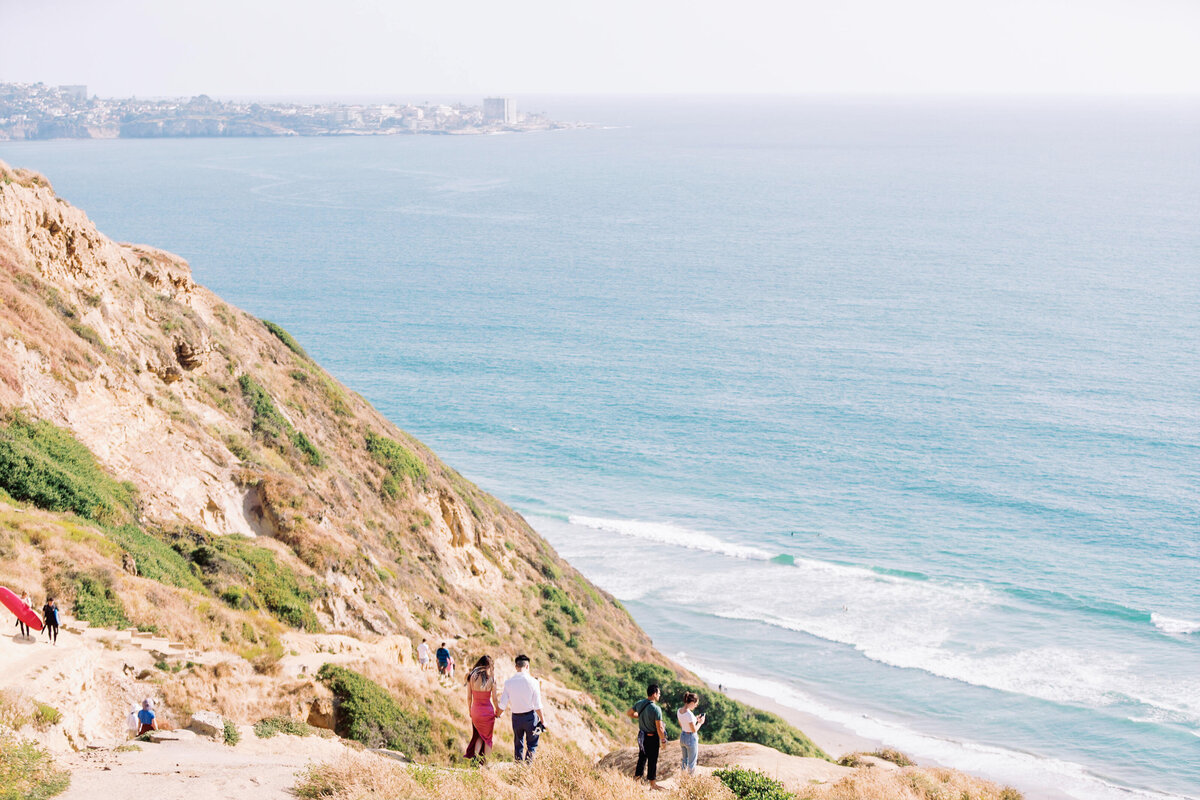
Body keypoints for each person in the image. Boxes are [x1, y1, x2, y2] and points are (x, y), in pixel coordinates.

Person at [497, 654, 545, 762]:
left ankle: (518, 769)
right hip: (530, 717)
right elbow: (537, 705)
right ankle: (527, 770)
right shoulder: (534, 682)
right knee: (532, 745)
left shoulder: (508, 682)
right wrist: (543, 720)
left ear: (516, 667)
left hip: (516, 718)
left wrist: (498, 714)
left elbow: (502, 704)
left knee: (518, 745)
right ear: (527, 666)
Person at [627, 683, 665, 791]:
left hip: (642, 736)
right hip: (652, 737)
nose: (659, 695)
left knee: (642, 758)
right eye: (658, 693)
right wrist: (663, 740)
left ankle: (636, 780)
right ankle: (652, 785)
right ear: (654, 694)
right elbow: (659, 728)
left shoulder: (640, 703)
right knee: (652, 760)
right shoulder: (656, 709)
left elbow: (629, 713)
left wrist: (640, 716)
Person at [463, 655, 502, 761]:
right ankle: (487, 763)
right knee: (488, 738)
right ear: (489, 666)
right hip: (487, 712)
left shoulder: (471, 676)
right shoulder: (492, 679)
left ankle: (476, 760)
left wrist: (469, 710)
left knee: (479, 735)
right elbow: (494, 699)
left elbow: (468, 697)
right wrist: (498, 710)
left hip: (475, 711)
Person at [677, 691, 706, 775]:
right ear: (692, 702)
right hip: (690, 738)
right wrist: (700, 723)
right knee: (692, 762)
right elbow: (694, 730)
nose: (696, 705)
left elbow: (682, 724)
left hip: (683, 736)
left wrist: (695, 720)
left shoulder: (679, 711)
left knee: (684, 760)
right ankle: (690, 780)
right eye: (696, 704)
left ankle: (683, 778)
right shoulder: (689, 714)